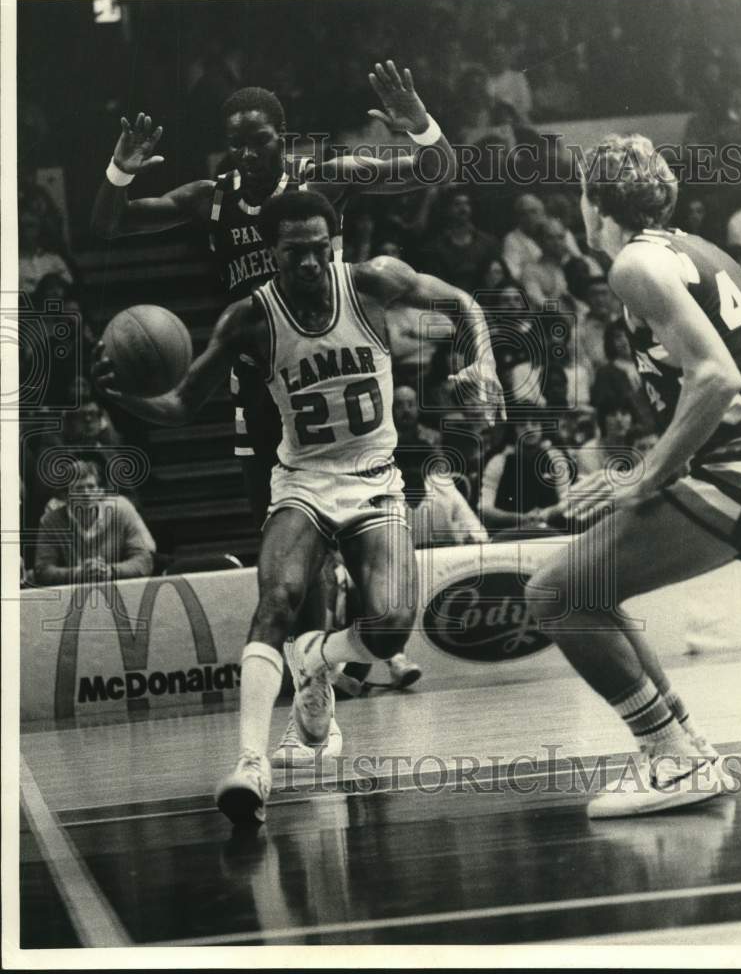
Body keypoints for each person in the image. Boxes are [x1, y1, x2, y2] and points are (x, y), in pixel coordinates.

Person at [92, 190, 504, 824]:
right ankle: (251, 766)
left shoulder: (373, 282)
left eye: (319, 249)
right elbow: (179, 404)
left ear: (333, 245)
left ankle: (317, 658)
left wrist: (484, 363)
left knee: (392, 627)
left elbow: (464, 303)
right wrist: (121, 397)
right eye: (295, 252)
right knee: (278, 599)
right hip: (302, 480)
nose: (309, 262)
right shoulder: (249, 318)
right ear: (273, 252)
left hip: (374, 477)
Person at [90, 59, 457, 763]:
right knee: (297, 571)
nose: (245, 153)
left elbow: (434, 168)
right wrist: (119, 169)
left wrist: (417, 123)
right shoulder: (210, 198)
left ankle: (330, 671)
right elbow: (111, 224)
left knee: (348, 565)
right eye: (235, 142)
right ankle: (315, 705)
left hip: (335, 376)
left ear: (282, 142)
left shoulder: (324, 181)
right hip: (261, 395)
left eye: (258, 140)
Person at [523, 134, 741, 817]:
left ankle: (669, 754)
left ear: (593, 202)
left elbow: (716, 378)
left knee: (554, 596)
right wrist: (647, 471)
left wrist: (642, 479)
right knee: (590, 590)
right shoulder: (698, 249)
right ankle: (685, 749)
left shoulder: (634, 262)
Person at [34, 460, 155, 586]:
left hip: (118, 591)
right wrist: (78, 573)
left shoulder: (121, 512)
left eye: (91, 487)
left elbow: (144, 561)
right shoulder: (50, 521)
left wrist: (111, 571)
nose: (86, 493)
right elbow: (42, 571)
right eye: (79, 489)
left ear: (100, 490)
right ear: (66, 495)